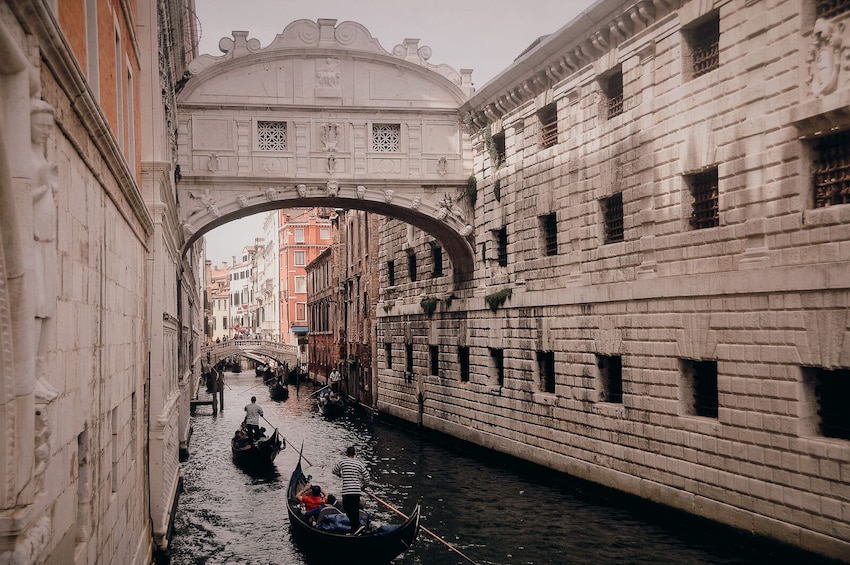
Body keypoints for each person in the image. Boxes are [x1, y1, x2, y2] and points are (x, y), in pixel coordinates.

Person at [332, 446, 369, 534]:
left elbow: (334, 471)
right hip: (356, 491)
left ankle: (357, 526)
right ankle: (355, 530)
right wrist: (364, 486)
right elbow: (367, 477)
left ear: (346, 453)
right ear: (354, 454)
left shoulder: (342, 461)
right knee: (355, 510)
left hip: (347, 491)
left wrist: (340, 475)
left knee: (347, 509)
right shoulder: (359, 463)